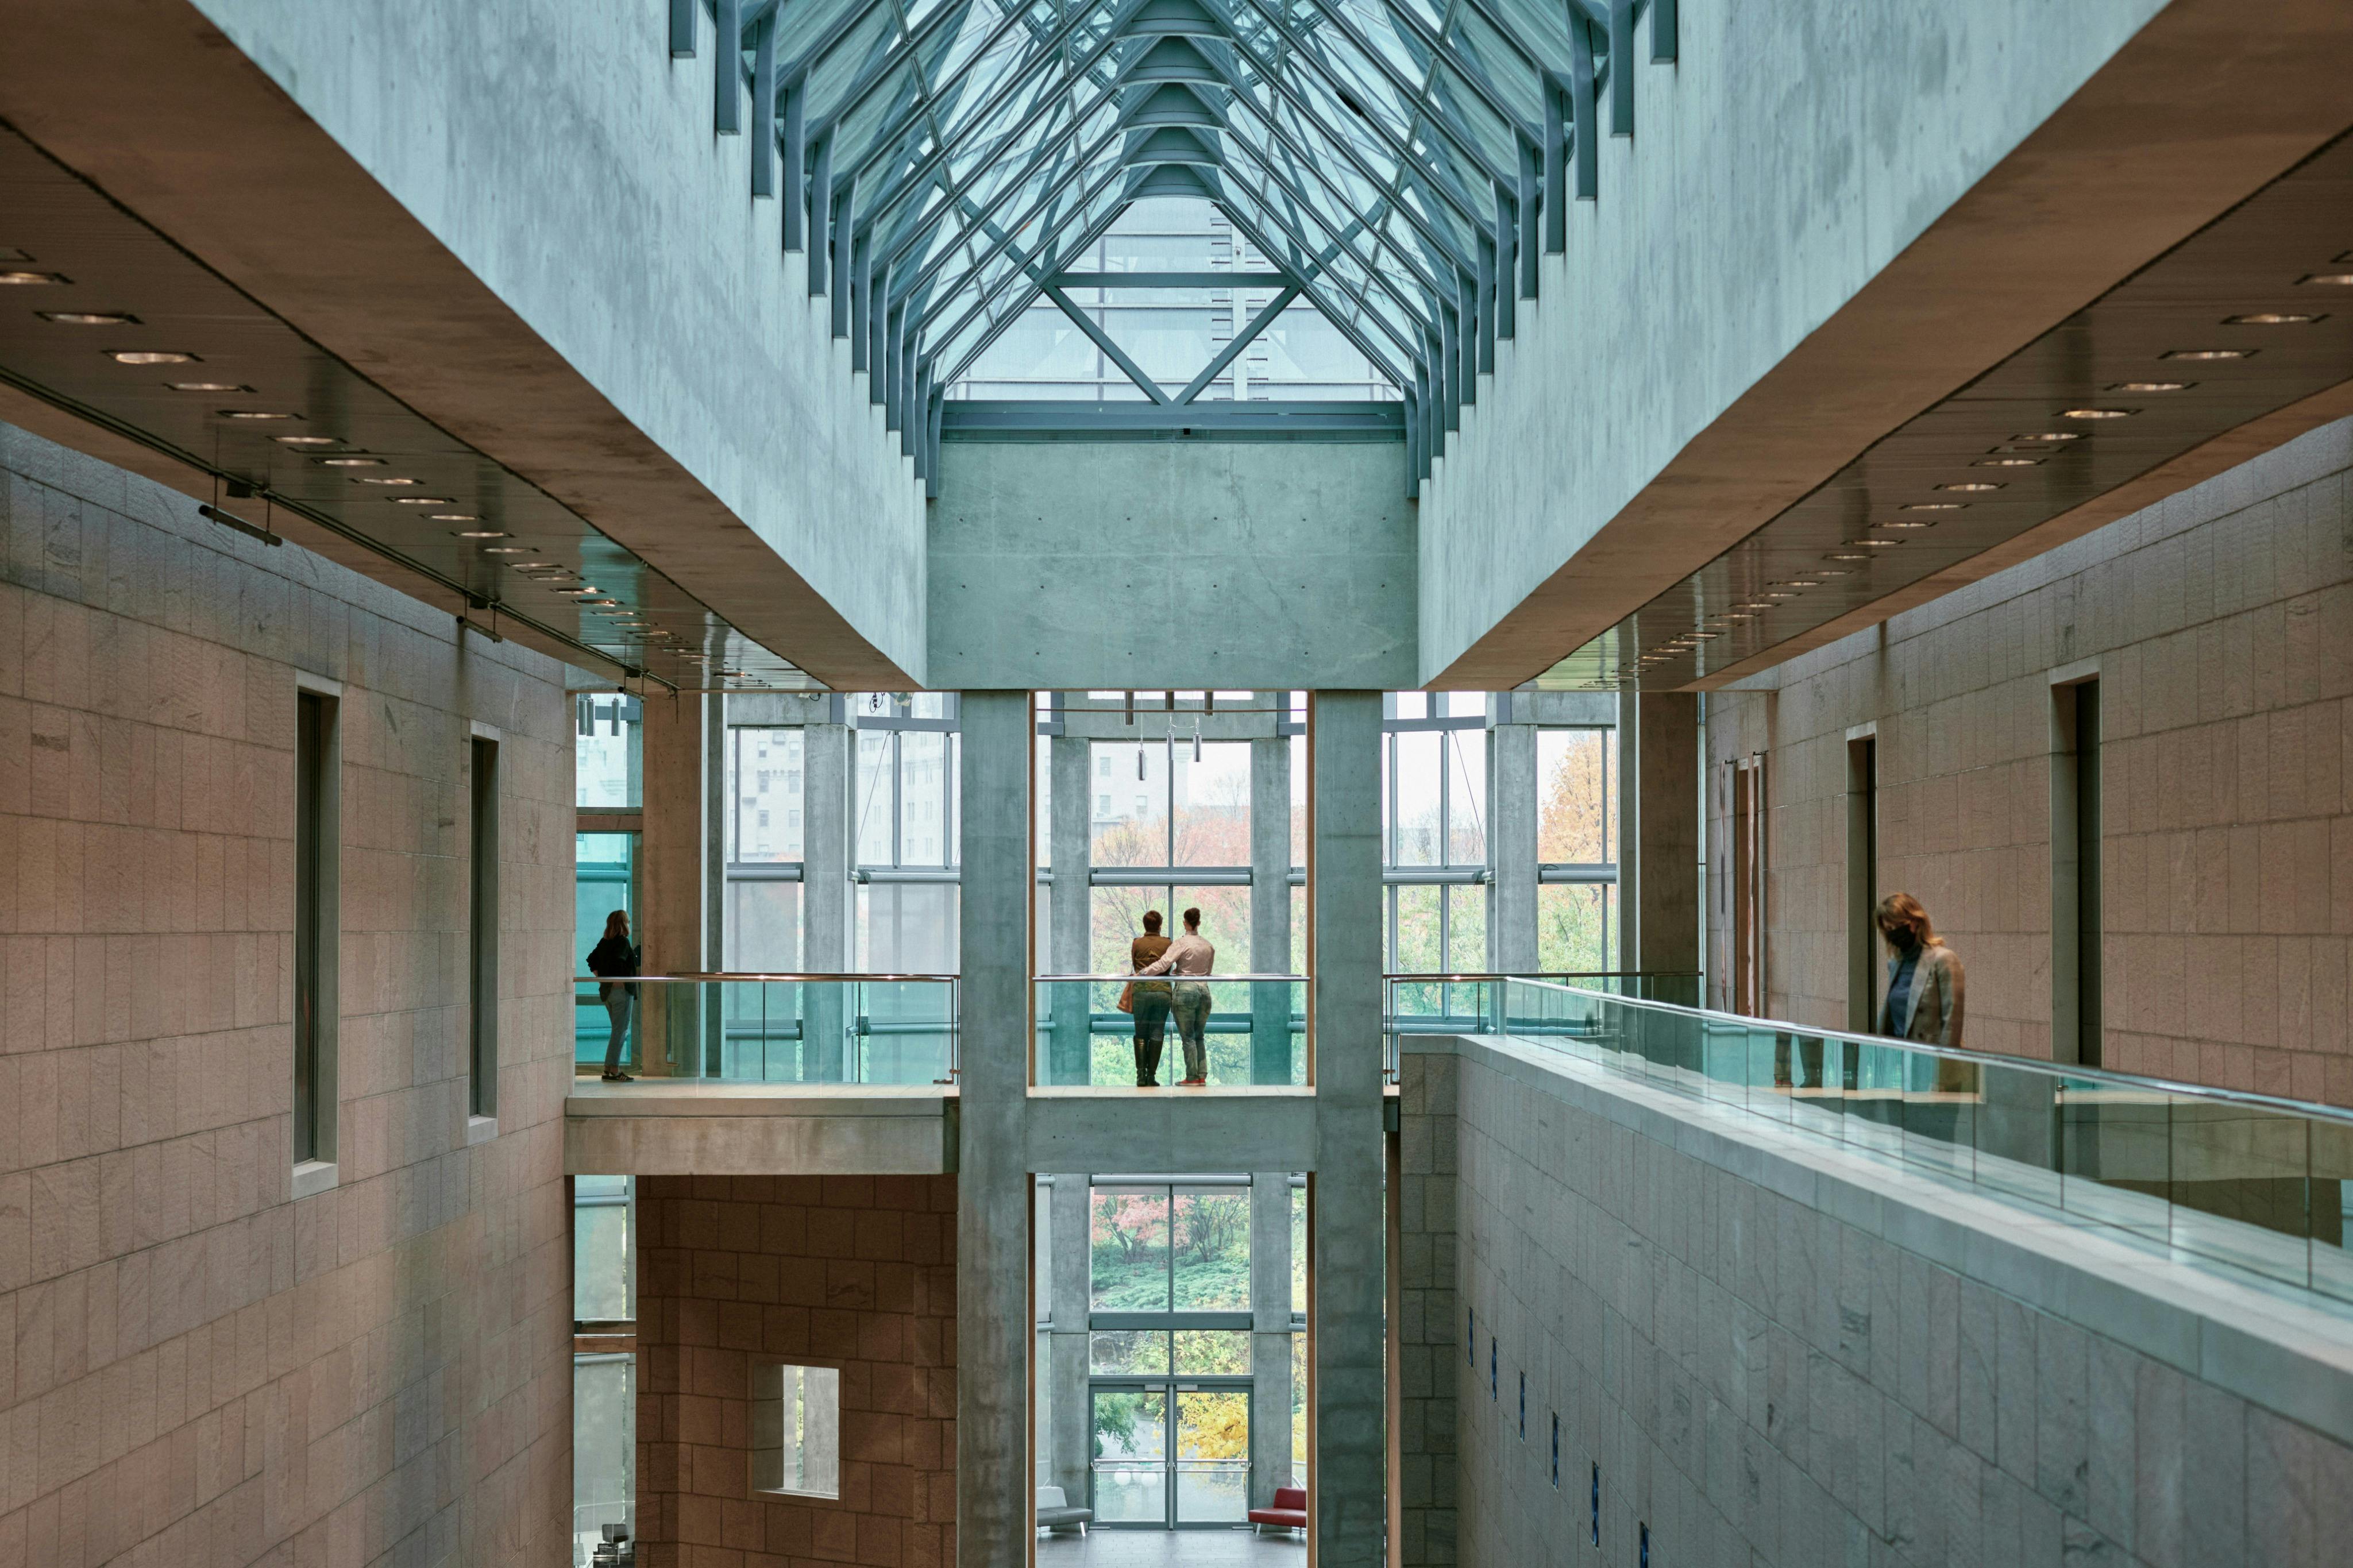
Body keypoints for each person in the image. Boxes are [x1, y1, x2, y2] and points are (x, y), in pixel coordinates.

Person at [1877, 893, 1969, 1091]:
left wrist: (1943, 1077)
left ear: (1915, 922)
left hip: (1935, 1070)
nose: (1893, 933)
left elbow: (1952, 1023)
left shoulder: (1943, 959)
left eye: (1897, 926)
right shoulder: (1896, 963)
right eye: (1889, 929)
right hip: (1904, 1066)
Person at [1137, 906, 1216, 1086]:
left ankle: (1191, 1077)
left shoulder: (1182, 943)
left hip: (1186, 991)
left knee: (1188, 1037)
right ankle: (1202, 1076)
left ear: (1185, 923)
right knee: (1200, 1036)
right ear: (1199, 923)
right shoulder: (1208, 945)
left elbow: (1164, 963)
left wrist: (1143, 973)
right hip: (1204, 992)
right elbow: (1208, 972)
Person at [586, 909, 640, 1082]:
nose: (629, 925)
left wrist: (604, 979)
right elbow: (619, 961)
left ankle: (610, 1069)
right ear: (623, 924)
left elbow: (591, 960)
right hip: (620, 993)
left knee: (617, 1031)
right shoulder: (622, 943)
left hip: (607, 992)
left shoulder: (605, 942)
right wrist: (619, 982)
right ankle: (614, 1070)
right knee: (620, 1031)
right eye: (628, 922)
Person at [1129, 910, 1173, 1088]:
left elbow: (1134, 964)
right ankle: (1151, 1076)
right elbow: (1169, 966)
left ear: (1144, 925)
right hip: (1162, 991)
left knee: (1141, 1033)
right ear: (1160, 925)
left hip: (1140, 991)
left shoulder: (1137, 944)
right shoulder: (1168, 943)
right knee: (1157, 1033)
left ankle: (1140, 1076)